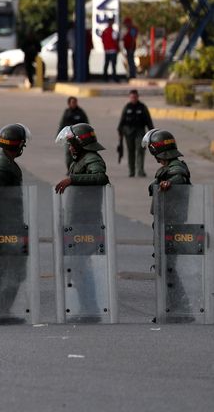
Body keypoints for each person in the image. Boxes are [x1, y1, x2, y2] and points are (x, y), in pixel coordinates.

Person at [54, 123, 109, 322]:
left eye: (71, 143)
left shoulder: (92, 159)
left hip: (88, 223)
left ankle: (91, 309)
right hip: (77, 222)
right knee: (77, 268)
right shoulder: (80, 160)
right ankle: (88, 308)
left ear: (80, 143)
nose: (69, 147)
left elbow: (100, 177)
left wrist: (72, 179)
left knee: (80, 267)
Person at [143, 129, 193, 321]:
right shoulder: (167, 167)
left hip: (173, 224)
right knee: (166, 267)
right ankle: (176, 308)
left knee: (168, 267)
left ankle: (181, 309)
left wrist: (168, 184)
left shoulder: (176, 168)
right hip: (166, 222)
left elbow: (179, 179)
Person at [0, 123, 31, 323]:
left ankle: (3, 310)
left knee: (10, 269)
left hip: (9, 223)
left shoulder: (3, 161)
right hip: (7, 225)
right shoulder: (3, 164)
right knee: (13, 269)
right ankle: (3, 311)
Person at [117, 89, 154, 177]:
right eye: (131, 97)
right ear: (129, 98)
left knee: (140, 150)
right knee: (131, 151)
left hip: (140, 131)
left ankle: (140, 170)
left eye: (135, 97)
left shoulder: (142, 107)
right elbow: (122, 121)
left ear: (137, 97)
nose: (133, 99)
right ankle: (131, 171)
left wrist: (151, 132)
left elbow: (148, 121)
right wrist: (120, 132)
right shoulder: (127, 107)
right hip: (128, 132)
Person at [57, 96, 89, 174]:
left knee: (79, 154)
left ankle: (78, 170)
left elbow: (86, 124)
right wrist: (59, 135)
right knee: (68, 154)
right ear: (69, 104)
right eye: (72, 102)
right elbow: (62, 124)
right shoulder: (67, 112)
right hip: (68, 137)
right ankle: (69, 169)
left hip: (79, 137)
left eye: (75, 102)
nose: (74, 104)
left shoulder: (81, 112)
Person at [101, 17, 119, 82]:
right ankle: (114, 77)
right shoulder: (113, 31)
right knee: (113, 65)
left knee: (107, 64)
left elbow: (103, 40)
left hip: (107, 50)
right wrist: (117, 48)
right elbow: (115, 41)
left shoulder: (104, 31)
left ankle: (105, 78)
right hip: (112, 50)